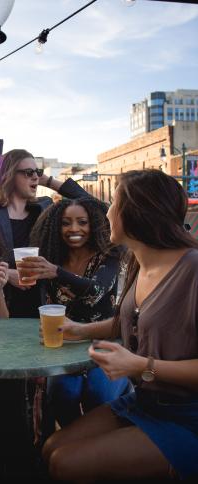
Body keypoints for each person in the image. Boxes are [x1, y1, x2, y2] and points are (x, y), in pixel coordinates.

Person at [43, 169, 198, 482]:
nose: (108, 212)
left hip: (187, 415)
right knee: (51, 447)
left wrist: (140, 365)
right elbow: (134, 319)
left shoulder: (192, 269)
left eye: (113, 203)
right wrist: (80, 329)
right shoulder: (140, 261)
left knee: (66, 463)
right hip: (145, 402)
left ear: (137, 214)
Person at [20, 197, 130, 428]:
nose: (74, 229)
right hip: (64, 345)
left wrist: (55, 272)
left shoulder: (108, 255)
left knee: (98, 394)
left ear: (94, 225)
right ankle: (75, 440)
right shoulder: (51, 258)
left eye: (82, 222)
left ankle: (97, 447)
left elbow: (96, 291)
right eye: (66, 223)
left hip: (104, 341)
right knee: (63, 393)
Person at [0, 149, 87, 318]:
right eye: (28, 173)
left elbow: (92, 205)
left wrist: (48, 181)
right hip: (3, 311)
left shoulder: (45, 208)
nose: (35, 177)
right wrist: (5, 274)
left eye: (38, 172)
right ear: (8, 176)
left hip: (43, 308)